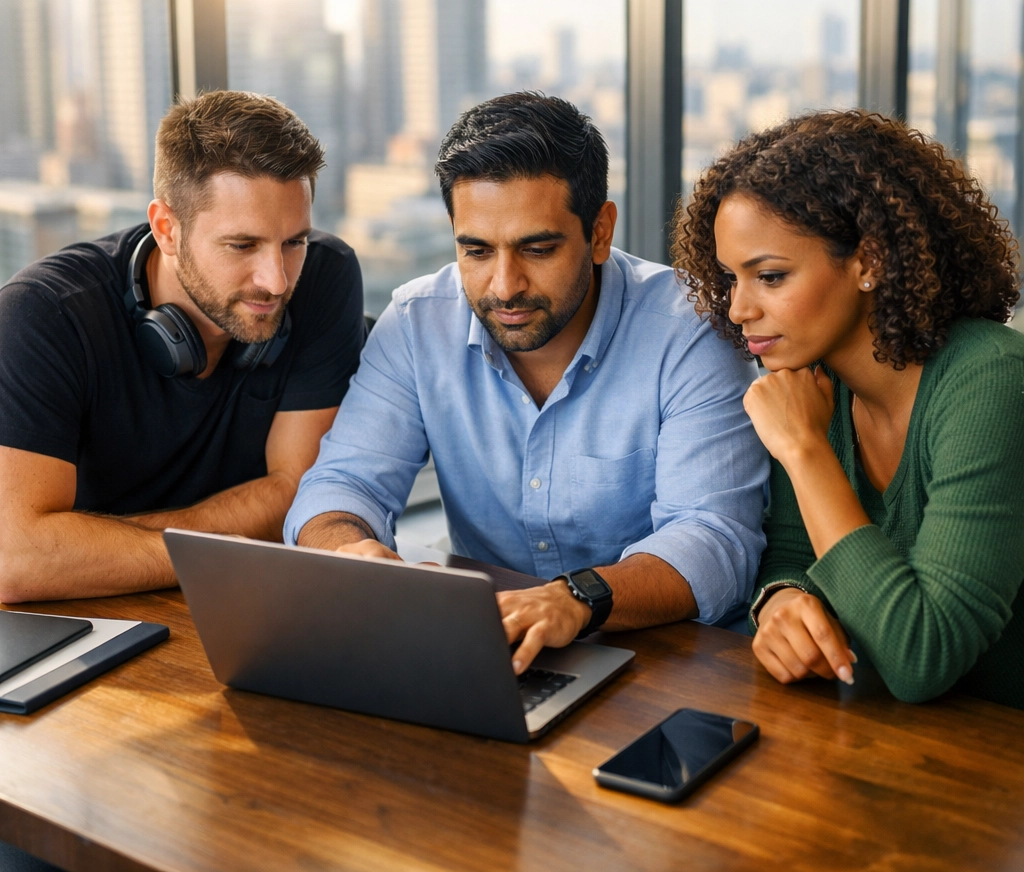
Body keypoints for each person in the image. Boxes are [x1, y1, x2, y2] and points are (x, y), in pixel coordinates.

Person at [285, 92, 768, 674]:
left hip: (669, 662)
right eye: (477, 251)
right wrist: (347, 551)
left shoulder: (688, 332)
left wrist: (573, 599)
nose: (504, 285)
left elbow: (716, 539)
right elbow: (339, 482)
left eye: (537, 249)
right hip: (494, 655)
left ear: (599, 232)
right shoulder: (417, 323)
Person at [673, 108, 1024, 709]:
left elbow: (921, 656)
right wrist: (781, 602)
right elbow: (789, 554)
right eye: (732, 278)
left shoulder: (991, 380)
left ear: (869, 262)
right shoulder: (811, 381)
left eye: (771, 277)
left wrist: (804, 450)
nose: (738, 309)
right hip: (875, 740)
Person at [0, 91, 365, 602]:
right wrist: (216, 547)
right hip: (82, 613)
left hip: (238, 600)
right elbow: (16, 558)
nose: (278, 281)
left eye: (294, 241)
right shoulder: (44, 313)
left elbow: (299, 491)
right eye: (242, 245)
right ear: (167, 229)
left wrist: (92, 545)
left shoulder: (325, 274)